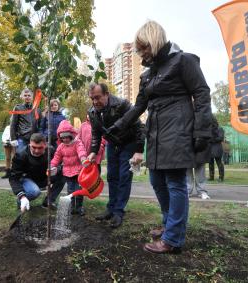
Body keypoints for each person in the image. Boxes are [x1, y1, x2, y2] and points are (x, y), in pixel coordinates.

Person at [108, 21, 212, 253]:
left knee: (175, 183)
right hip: (155, 133)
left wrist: (202, 131)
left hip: (178, 130)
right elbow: (139, 106)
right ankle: (169, 225)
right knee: (156, 181)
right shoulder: (149, 73)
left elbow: (202, 94)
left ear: (154, 41)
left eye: (144, 47)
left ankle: (174, 239)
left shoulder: (184, 61)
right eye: (139, 49)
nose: (141, 53)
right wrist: (118, 125)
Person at [86, 83, 146, 228]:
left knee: (124, 176)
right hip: (112, 144)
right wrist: (93, 151)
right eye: (92, 98)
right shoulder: (92, 112)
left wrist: (139, 150)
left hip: (129, 143)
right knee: (112, 176)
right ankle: (111, 208)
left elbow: (139, 127)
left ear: (106, 94)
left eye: (98, 97)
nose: (95, 102)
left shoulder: (122, 105)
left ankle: (119, 212)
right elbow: (96, 133)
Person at [50, 120, 88, 215]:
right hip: (67, 172)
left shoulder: (77, 143)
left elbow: (81, 151)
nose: (65, 139)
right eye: (63, 138)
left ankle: (79, 207)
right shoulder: (61, 147)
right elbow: (56, 157)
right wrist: (52, 166)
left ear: (71, 135)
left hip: (79, 171)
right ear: (60, 138)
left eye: (67, 137)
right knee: (70, 191)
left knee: (79, 191)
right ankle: (71, 208)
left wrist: (83, 159)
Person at [9, 133, 54, 213]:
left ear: (45, 145)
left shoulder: (51, 151)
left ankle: (48, 201)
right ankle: (22, 203)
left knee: (63, 175)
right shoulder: (20, 155)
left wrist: (56, 169)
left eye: (40, 148)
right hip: (28, 178)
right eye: (34, 147)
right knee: (34, 191)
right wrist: (22, 196)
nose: (36, 151)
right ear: (29, 144)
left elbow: (61, 164)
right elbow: (14, 178)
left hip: (44, 177)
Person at [10, 88, 42, 154]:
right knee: (21, 157)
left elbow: (40, 124)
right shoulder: (18, 108)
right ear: (22, 97)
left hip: (35, 138)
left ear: (32, 97)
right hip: (22, 137)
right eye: (25, 95)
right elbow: (13, 124)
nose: (27, 97)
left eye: (29, 95)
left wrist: (41, 136)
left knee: (33, 157)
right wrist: (13, 138)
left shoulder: (37, 109)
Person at [209, 117, 225, 182]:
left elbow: (221, 138)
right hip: (211, 148)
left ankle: (221, 177)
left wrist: (212, 140)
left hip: (217, 148)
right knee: (211, 163)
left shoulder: (220, 129)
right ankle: (211, 177)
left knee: (219, 163)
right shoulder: (209, 130)